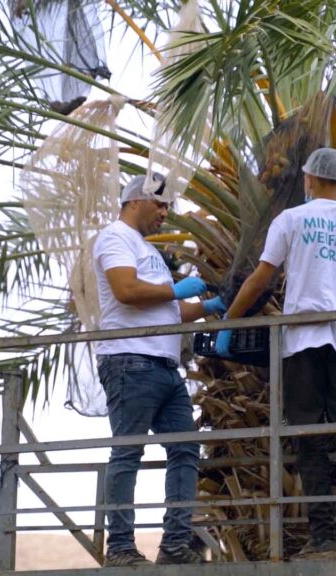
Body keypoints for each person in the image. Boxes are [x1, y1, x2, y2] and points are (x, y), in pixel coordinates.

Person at [218, 148, 336, 560]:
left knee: (309, 439)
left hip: (302, 345)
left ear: (309, 179)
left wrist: (228, 321)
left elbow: (261, 279)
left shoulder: (291, 220)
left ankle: (323, 540)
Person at [93, 173, 227, 566]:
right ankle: (120, 548)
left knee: (185, 448)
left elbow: (169, 310)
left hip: (165, 365)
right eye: (160, 204)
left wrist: (206, 307)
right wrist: (174, 290)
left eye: (168, 206)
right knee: (128, 451)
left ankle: (175, 545)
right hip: (129, 360)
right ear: (136, 200)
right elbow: (127, 292)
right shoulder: (115, 237)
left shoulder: (146, 249)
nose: (165, 213)